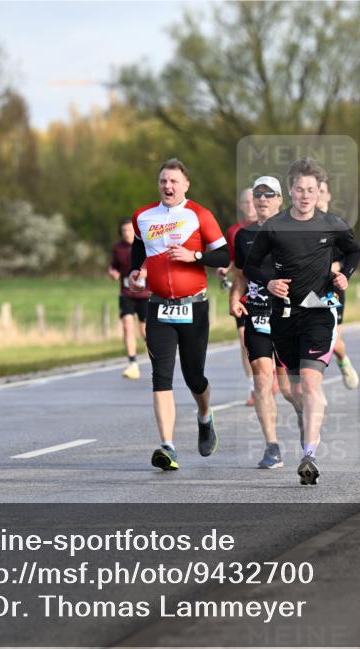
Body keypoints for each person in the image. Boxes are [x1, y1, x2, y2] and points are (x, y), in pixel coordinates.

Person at [243, 157, 360, 485]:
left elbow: (354, 252)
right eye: (299, 189)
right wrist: (269, 283)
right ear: (291, 191)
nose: (305, 195)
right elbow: (251, 265)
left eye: (311, 189)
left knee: (309, 383)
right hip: (284, 315)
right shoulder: (274, 226)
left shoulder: (332, 224)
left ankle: (309, 455)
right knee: (294, 388)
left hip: (319, 311)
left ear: (319, 191)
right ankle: (307, 423)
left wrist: (345, 275)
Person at [128, 158, 229, 471]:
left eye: (173, 181)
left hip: (193, 306)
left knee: (194, 376)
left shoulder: (199, 214)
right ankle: (168, 446)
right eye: (163, 181)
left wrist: (194, 255)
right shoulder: (143, 216)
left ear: (186, 185)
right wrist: (135, 271)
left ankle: (205, 416)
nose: (168, 186)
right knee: (161, 375)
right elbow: (138, 249)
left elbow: (224, 255)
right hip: (158, 306)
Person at [230, 176, 285, 468]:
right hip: (258, 313)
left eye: (268, 194)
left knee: (290, 389)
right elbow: (241, 275)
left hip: (288, 316)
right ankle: (272, 446)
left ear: (280, 200)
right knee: (262, 378)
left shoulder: (293, 232)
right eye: (258, 194)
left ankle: (308, 433)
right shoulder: (243, 236)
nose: (262, 199)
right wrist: (235, 298)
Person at [316, 175, 360, 390]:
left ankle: (343, 360)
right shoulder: (300, 225)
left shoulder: (337, 224)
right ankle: (313, 386)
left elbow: (352, 252)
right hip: (306, 288)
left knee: (331, 339)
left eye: (322, 191)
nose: (318, 196)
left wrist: (339, 267)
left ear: (329, 196)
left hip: (332, 287)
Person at [220, 188, 257, 404]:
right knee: (244, 340)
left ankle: (270, 372)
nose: (250, 205)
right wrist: (224, 269)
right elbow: (233, 259)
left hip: (265, 293)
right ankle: (252, 387)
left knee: (265, 338)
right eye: (246, 202)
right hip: (242, 291)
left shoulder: (269, 228)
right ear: (240, 206)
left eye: (253, 200)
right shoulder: (234, 231)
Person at [108, 218, 149, 380]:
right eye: (124, 230)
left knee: (145, 330)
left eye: (130, 230)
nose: (127, 233)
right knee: (127, 326)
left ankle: (156, 355)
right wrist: (113, 272)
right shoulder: (118, 248)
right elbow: (114, 266)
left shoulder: (145, 245)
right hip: (126, 294)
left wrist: (146, 273)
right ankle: (132, 364)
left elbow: (157, 264)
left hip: (145, 294)